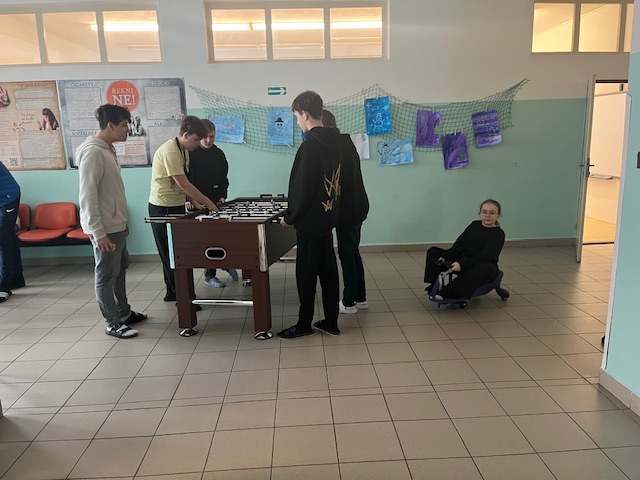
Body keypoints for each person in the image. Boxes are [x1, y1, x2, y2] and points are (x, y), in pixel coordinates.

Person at [76, 104, 147, 338]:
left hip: (114, 224)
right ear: (110, 126)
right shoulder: (93, 152)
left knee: (120, 269)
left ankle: (124, 313)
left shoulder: (107, 149)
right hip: (103, 228)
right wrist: (98, 232)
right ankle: (112, 322)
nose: (128, 130)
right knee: (106, 275)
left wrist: (121, 221)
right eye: (124, 125)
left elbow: (112, 191)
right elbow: (87, 196)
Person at [277, 91, 342, 339]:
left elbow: (302, 188)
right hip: (327, 216)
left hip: (310, 221)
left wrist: (290, 216)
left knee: (306, 274)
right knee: (328, 271)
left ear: (304, 113)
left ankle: (304, 324)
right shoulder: (336, 142)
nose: (297, 122)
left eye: (296, 116)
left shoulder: (310, 146)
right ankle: (331, 321)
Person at [148, 115, 219, 302]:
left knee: (176, 253)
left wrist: (196, 203)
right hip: (162, 207)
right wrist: (209, 203)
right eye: (196, 139)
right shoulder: (170, 151)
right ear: (185, 135)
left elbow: (184, 185)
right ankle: (181, 297)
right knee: (171, 255)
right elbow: (184, 184)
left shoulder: (183, 150)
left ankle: (175, 293)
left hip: (175, 205)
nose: (198, 143)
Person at [322, 109, 370, 314]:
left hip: (348, 209)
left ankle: (349, 301)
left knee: (347, 253)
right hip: (357, 206)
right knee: (352, 251)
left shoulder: (336, 150)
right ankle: (360, 297)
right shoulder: (346, 145)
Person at [186, 118, 238, 288]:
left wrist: (222, 195)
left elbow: (224, 178)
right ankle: (210, 275)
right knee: (206, 240)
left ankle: (226, 263)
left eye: (212, 137)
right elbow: (184, 180)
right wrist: (188, 200)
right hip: (196, 204)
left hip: (215, 202)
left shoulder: (218, 154)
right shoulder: (190, 153)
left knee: (221, 236)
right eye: (205, 137)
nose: (208, 140)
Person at [424, 199, 505, 300]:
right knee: (433, 252)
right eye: (484, 212)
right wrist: (446, 257)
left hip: (482, 265)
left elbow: (486, 257)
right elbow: (459, 245)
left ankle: (449, 292)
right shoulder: (474, 225)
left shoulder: (498, 234)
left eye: (492, 213)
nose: (487, 215)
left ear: (498, 215)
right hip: (464, 260)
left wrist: (462, 265)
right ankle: (434, 285)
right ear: (479, 213)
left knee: (485, 269)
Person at [0, 161, 25, 303]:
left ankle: (4, 285)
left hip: (7, 197)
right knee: (8, 236)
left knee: (3, 238)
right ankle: (16, 278)